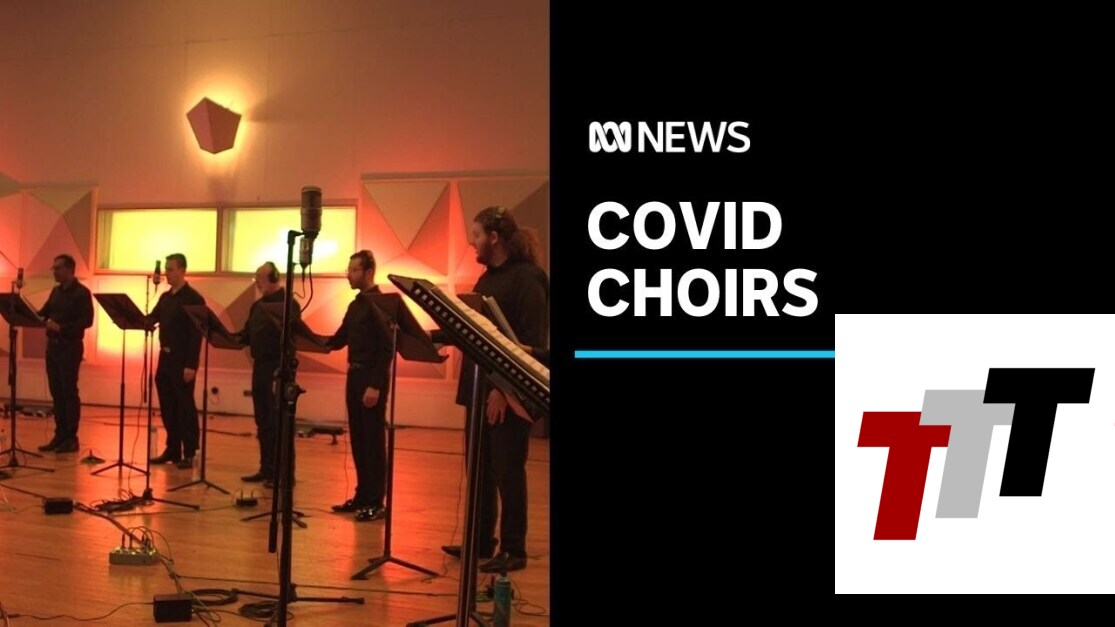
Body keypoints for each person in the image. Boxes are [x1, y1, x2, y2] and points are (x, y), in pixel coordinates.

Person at [442, 206, 549, 573]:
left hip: (507, 393)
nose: (471, 242)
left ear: (494, 237)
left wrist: (503, 391)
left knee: (507, 470)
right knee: (480, 470)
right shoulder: (487, 278)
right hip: (478, 387)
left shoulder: (528, 278)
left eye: (476, 235)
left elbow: (529, 343)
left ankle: (514, 548)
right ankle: (481, 540)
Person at [325, 250, 393, 522]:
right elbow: (339, 339)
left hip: (370, 379)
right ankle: (363, 495)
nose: (348, 274)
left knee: (373, 441)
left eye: (354, 270)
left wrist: (375, 385)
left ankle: (376, 501)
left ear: (368, 272)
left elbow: (387, 348)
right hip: (354, 377)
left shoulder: (380, 304)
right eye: (349, 269)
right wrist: (308, 339)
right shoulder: (355, 305)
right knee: (358, 439)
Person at [234, 262, 293, 484]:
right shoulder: (257, 306)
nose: (257, 282)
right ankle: (266, 468)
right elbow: (247, 334)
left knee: (277, 422)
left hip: (278, 369)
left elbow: (292, 337)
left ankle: (281, 473)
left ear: (274, 277)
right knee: (262, 421)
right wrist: (226, 337)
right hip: (260, 367)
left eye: (260, 277)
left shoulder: (289, 305)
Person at [147, 253, 205, 469]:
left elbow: (196, 334)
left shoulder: (193, 298)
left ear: (182, 270)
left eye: (170, 269)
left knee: (184, 406)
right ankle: (173, 449)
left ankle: (189, 451)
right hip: (165, 358)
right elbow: (152, 319)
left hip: (182, 361)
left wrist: (191, 364)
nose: (166, 273)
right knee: (168, 406)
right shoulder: (165, 297)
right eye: (166, 269)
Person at [36, 254, 94, 453]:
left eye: (58, 268)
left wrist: (62, 328)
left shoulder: (82, 293)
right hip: (53, 347)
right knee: (56, 392)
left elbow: (87, 321)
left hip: (70, 347)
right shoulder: (56, 292)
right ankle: (59, 435)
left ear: (70, 269)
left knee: (68, 392)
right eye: (54, 268)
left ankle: (71, 438)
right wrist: (25, 311)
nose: (55, 271)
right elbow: (43, 312)